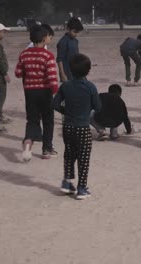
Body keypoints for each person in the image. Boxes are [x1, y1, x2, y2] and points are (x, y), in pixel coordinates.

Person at [53, 54, 101, 200]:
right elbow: (98, 107)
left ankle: (67, 182)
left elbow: (55, 104)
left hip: (68, 126)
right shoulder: (90, 87)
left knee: (69, 153)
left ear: (70, 70)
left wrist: (65, 111)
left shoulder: (65, 86)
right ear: (88, 70)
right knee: (83, 157)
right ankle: (82, 187)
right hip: (83, 126)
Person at [15, 25, 59, 161]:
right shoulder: (48, 56)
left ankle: (28, 143)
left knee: (32, 120)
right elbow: (52, 78)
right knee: (48, 121)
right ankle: (46, 149)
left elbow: (17, 73)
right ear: (44, 38)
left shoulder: (24, 54)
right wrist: (56, 93)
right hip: (45, 92)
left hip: (30, 92)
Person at [57, 17, 83, 82]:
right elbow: (60, 59)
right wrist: (62, 74)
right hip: (67, 74)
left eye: (78, 32)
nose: (76, 34)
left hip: (76, 73)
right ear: (68, 29)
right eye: (74, 32)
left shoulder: (76, 41)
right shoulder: (63, 42)